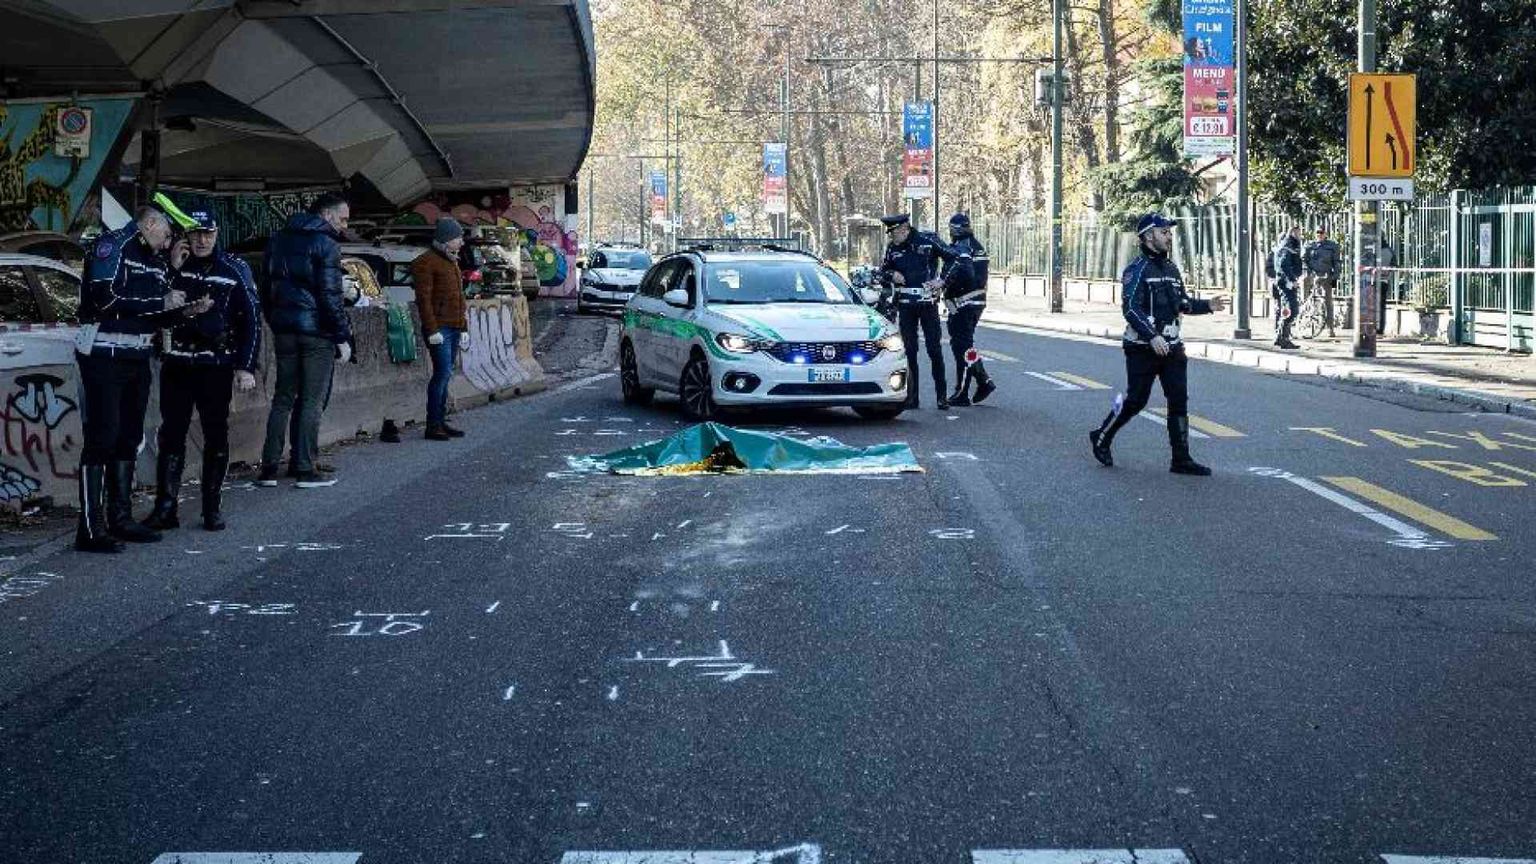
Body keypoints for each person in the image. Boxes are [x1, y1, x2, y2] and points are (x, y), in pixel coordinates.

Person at [74, 203, 206, 552]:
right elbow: (105, 299)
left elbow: (152, 314)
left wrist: (183, 311)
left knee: (129, 437)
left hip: (137, 357)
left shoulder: (156, 260)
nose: (168, 242)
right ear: (149, 223)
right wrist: (160, 301)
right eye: (166, 233)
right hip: (104, 356)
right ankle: (90, 527)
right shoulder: (113, 246)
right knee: (102, 436)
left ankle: (120, 517)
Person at [142, 210, 261, 532]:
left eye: (207, 233)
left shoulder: (234, 268)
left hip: (215, 364)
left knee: (215, 434)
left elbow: (250, 320)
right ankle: (166, 508)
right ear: (186, 236)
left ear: (217, 233)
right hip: (178, 362)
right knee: (171, 435)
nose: (201, 240)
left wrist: (245, 366)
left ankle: (212, 506)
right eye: (195, 234)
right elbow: (153, 308)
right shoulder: (171, 266)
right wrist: (172, 271)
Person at [1089, 213, 1228, 475]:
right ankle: (1101, 436)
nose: (1169, 236)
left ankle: (1181, 459)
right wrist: (1152, 336)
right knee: (1135, 401)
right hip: (1142, 347)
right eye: (1164, 232)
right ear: (1148, 235)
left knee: (1178, 399)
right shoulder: (1136, 269)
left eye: (1169, 232)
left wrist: (1207, 306)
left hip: (1172, 347)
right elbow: (1131, 308)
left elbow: (1181, 303)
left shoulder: (1171, 268)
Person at [258, 193, 353, 489]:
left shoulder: (277, 239)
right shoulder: (326, 245)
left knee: (283, 397)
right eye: (343, 217)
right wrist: (342, 335)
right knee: (312, 400)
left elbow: (265, 287)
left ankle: (269, 467)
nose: (344, 225)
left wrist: (276, 320)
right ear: (326, 214)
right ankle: (304, 467)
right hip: (316, 332)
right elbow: (330, 296)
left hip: (284, 330)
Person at [879, 213, 960, 410]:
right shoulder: (893, 248)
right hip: (906, 304)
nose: (892, 238)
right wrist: (892, 274)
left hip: (927, 303)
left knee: (934, 350)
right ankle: (912, 397)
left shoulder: (928, 241)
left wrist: (942, 280)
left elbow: (954, 259)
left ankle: (941, 397)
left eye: (894, 233)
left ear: (904, 229)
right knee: (910, 351)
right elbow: (883, 271)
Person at [411, 218, 471, 440]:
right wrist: (432, 328)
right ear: (447, 239)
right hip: (440, 328)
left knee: (446, 375)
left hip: (453, 326)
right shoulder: (427, 262)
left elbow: (459, 298)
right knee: (442, 374)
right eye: (458, 238)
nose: (462, 242)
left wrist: (463, 326)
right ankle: (433, 424)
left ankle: (440, 421)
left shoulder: (451, 261)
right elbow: (424, 299)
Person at [941, 212, 997, 407]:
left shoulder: (962, 248)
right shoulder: (976, 246)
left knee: (961, 347)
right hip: (975, 302)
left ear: (954, 230)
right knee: (965, 345)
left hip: (964, 303)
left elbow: (965, 275)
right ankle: (984, 381)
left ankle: (962, 392)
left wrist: (946, 287)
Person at [1303, 227, 1341, 338]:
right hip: (1312, 275)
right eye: (1317, 232)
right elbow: (1304, 260)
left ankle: (1330, 327)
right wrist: (1308, 272)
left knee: (1327, 300)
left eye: (1321, 232)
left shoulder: (1332, 246)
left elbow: (1337, 262)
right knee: (1306, 292)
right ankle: (1304, 314)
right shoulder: (1310, 245)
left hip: (1326, 275)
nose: (1319, 235)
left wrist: (1335, 276)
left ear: (1326, 234)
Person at [1271, 227, 1303, 349]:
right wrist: (1292, 279)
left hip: (1285, 281)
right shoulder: (1288, 245)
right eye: (1298, 232)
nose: (1300, 235)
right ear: (1293, 233)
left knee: (1288, 309)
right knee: (1292, 310)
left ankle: (1280, 337)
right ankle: (1283, 338)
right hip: (1286, 282)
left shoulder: (1291, 244)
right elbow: (1284, 264)